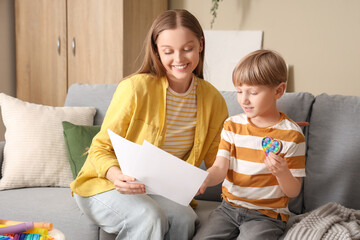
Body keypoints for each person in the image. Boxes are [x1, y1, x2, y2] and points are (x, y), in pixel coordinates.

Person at [70, 9, 228, 240]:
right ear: (156, 51)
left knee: (184, 218)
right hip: (104, 184)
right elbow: (99, 148)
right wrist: (116, 176)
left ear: (200, 45)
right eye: (168, 51)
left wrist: (207, 178)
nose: (179, 59)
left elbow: (217, 164)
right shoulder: (134, 88)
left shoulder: (213, 100)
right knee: (149, 216)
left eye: (187, 49)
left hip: (158, 190)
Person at [194, 49, 306, 240]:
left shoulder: (292, 135)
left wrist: (282, 172)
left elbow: (293, 191)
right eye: (239, 91)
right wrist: (205, 178)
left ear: (278, 91)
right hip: (228, 209)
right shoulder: (232, 125)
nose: (244, 100)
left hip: (267, 215)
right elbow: (220, 168)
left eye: (253, 92)